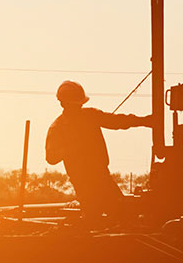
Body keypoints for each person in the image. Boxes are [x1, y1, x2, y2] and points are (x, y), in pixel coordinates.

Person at [44, 80, 150, 226]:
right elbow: (51, 157)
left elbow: (115, 121)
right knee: (93, 219)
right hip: (82, 182)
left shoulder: (90, 115)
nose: (79, 106)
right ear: (63, 103)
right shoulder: (58, 128)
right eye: (76, 103)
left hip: (102, 176)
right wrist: (73, 146)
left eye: (80, 103)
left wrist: (144, 121)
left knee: (123, 215)